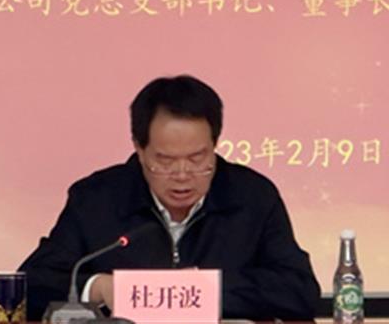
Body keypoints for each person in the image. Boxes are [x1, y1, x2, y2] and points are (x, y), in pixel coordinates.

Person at [20, 75, 321, 321]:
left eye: (197, 158)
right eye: (164, 160)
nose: (182, 174)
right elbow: (31, 283)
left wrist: (197, 291)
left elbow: (299, 291)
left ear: (215, 143)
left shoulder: (252, 197)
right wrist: (99, 287)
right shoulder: (97, 199)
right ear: (139, 148)